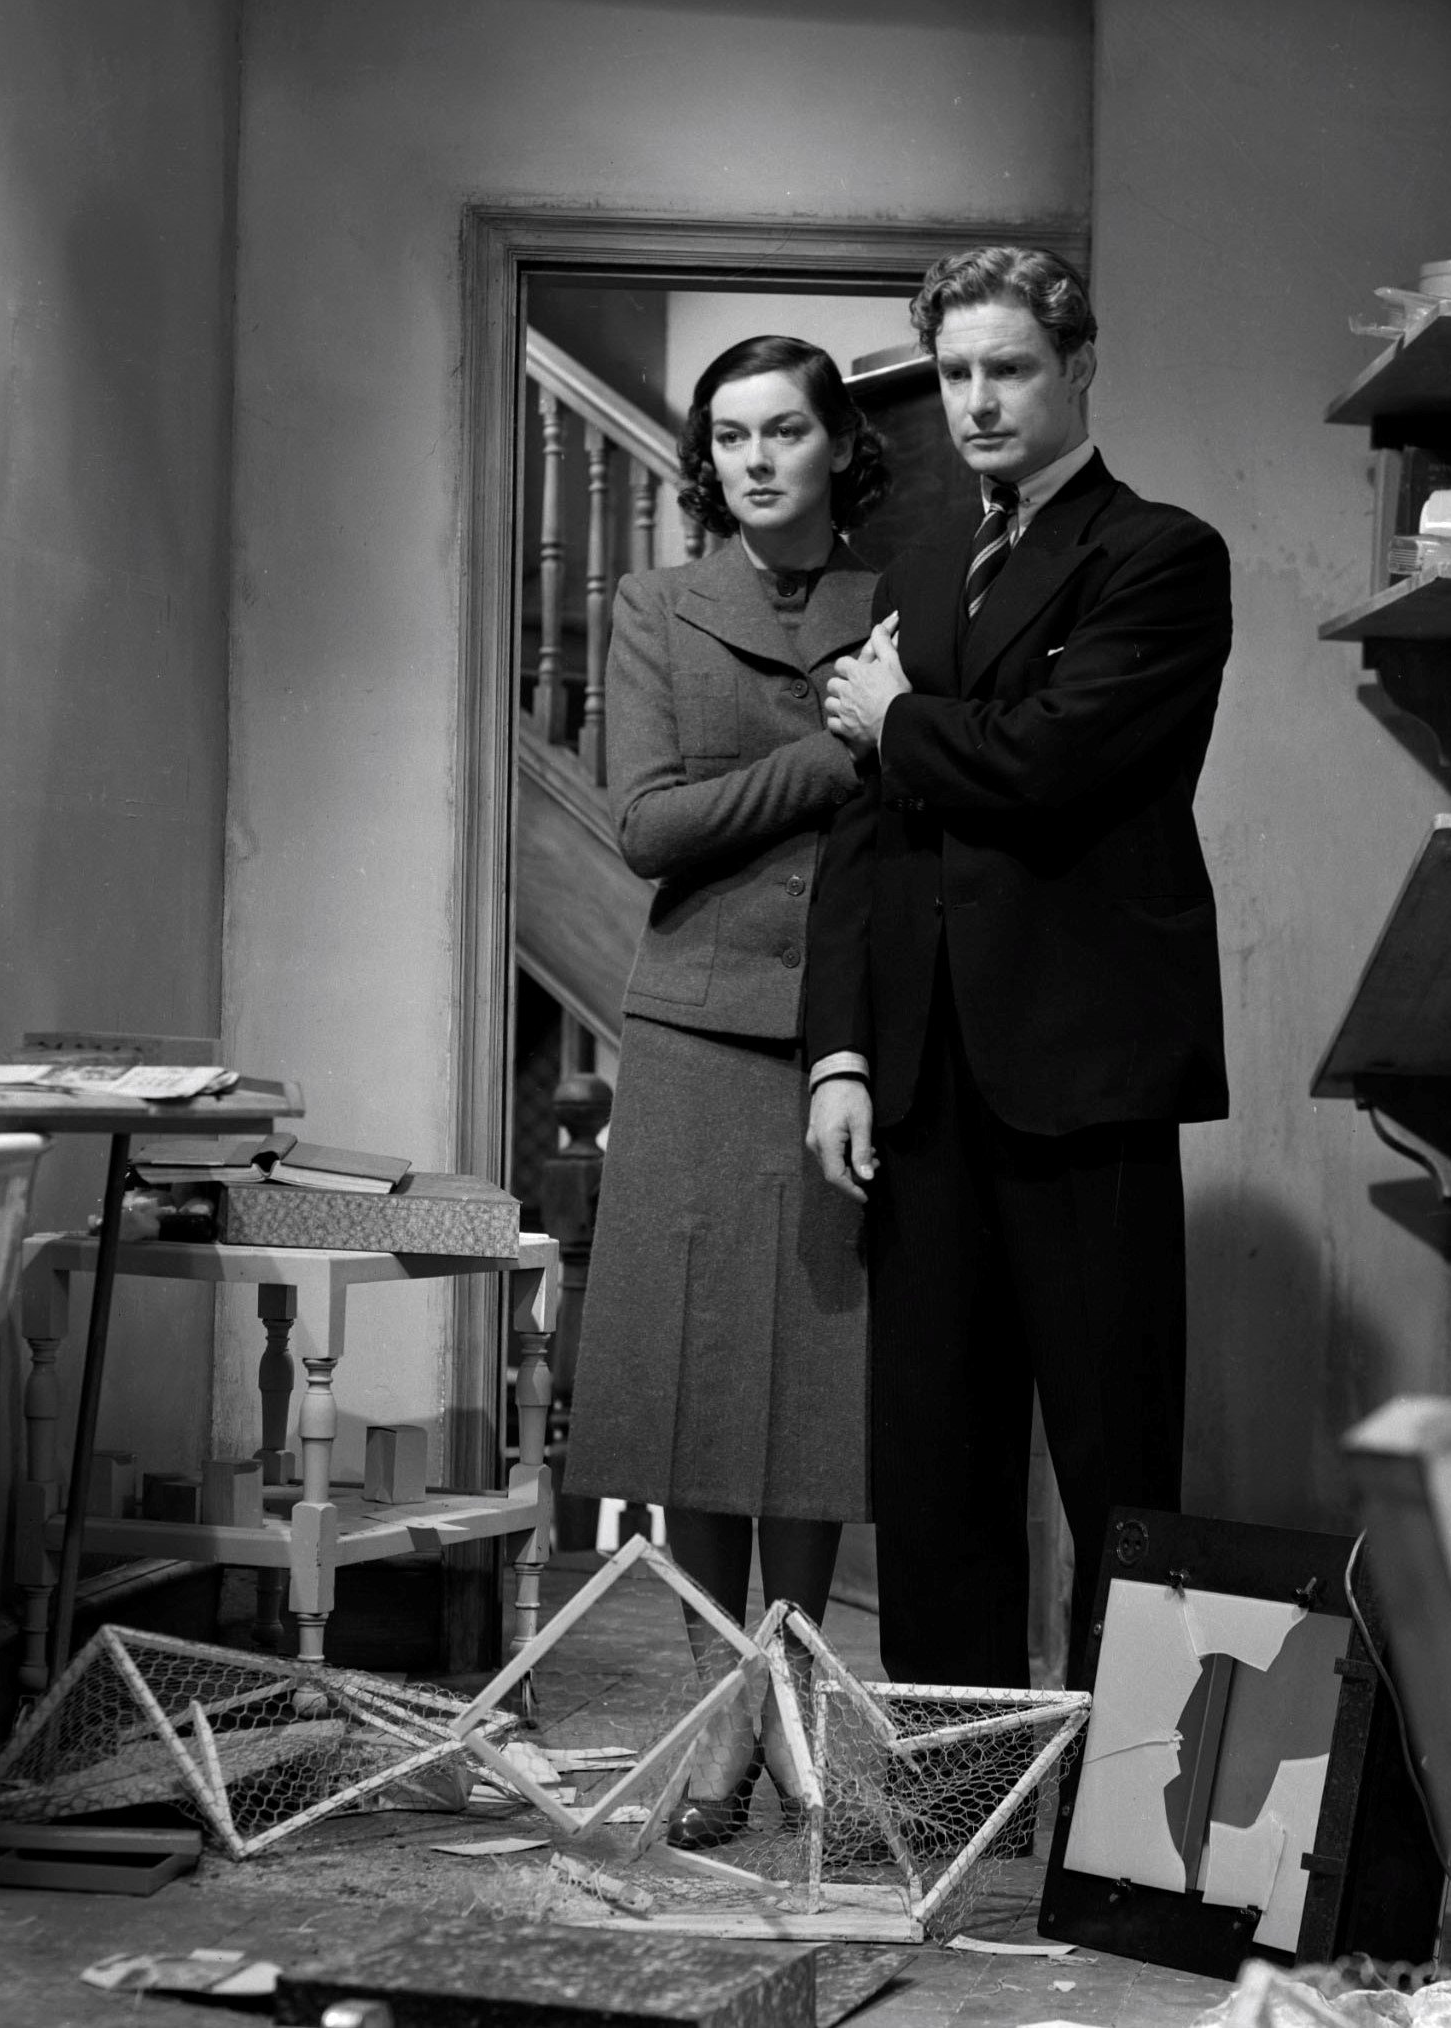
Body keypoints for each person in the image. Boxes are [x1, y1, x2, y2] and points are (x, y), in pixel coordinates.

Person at [803, 247, 1233, 1691]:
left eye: (1009, 368)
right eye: (955, 374)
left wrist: (896, 717)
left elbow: (1054, 762)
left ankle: (1127, 1797)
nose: (977, 401)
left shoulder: (1159, 556)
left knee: (1116, 1465)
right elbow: (866, 834)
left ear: (1077, 367)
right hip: (923, 1084)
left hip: (1085, 1075)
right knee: (931, 1471)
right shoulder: (922, 572)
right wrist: (841, 1052)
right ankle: (956, 1787)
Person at [569, 333, 887, 1844]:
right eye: (732, 436)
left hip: (851, 1030)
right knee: (696, 1382)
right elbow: (646, 828)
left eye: (785, 432)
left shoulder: (900, 604)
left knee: (814, 1387)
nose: (757, 459)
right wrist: (834, 759)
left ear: (838, 446)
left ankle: (791, 1691)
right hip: (697, 1025)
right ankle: (720, 1719)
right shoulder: (654, 606)